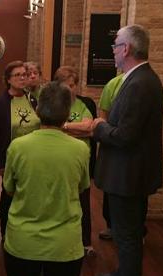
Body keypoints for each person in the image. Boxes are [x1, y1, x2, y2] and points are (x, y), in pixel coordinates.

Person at [1, 81, 89, 276]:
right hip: (65, 245)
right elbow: (82, 188)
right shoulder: (80, 149)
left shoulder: (19, 146)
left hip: (22, 242)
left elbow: (9, 188)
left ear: (37, 109)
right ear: (68, 113)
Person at [86, 25, 163, 276]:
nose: (114, 50)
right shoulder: (138, 79)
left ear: (127, 49)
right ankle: (123, 275)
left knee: (128, 235)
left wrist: (98, 127)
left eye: (116, 45)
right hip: (128, 172)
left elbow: (125, 135)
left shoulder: (140, 83)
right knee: (123, 233)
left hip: (129, 174)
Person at [97, 73, 163, 241]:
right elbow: (104, 114)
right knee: (114, 199)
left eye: (117, 48)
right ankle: (113, 226)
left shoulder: (142, 84)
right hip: (118, 153)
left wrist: (102, 129)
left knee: (133, 214)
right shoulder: (113, 84)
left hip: (131, 158)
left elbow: (154, 119)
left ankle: (133, 233)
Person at [0, 61, 40, 238]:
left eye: (24, 74)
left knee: (30, 196)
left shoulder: (32, 99)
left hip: (33, 158)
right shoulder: (0, 104)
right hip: (11, 159)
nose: (22, 78)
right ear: (8, 79)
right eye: (17, 75)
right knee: (9, 197)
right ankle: (6, 234)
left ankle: (27, 232)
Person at [54, 66, 98, 257]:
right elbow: (49, 127)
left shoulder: (83, 104)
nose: (70, 89)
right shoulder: (54, 105)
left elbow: (89, 127)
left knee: (82, 200)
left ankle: (85, 242)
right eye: (66, 85)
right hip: (60, 160)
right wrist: (77, 129)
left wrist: (64, 126)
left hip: (81, 161)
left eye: (73, 85)